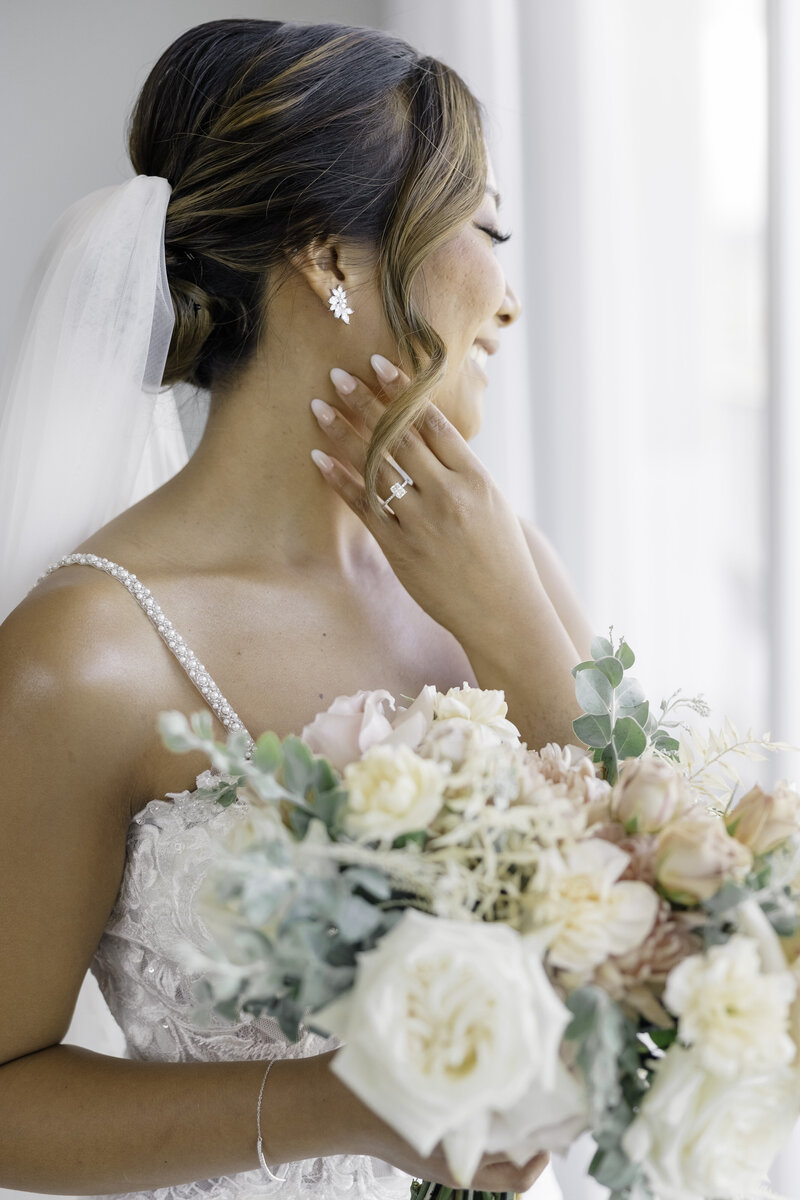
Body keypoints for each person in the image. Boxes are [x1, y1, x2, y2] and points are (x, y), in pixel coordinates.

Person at [0, 17, 592, 1200]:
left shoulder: (502, 562)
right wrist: (342, 1108)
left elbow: (654, 926)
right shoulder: (88, 654)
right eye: (486, 228)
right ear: (328, 259)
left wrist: (525, 643)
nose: (510, 300)